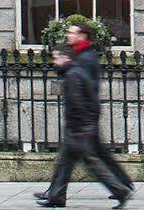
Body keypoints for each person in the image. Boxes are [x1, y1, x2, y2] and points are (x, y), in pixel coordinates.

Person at [36, 32, 134, 208]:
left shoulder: (73, 75)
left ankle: (120, 190)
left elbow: (78, 103)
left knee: (92, 163)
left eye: (56, 58)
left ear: (66, 58)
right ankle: (56, 197)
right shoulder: (76, 71)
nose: (54, 62)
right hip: (80, 127)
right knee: (65, 163)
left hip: (79, 129)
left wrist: (78, 127)